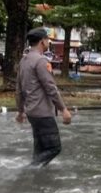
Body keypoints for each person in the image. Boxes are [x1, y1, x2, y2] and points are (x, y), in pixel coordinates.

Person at [15, 28, 72, 166]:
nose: (48, 41)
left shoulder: (24, 60)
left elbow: (19, 89)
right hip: (43, 113)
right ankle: (31, 169)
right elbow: (50, 88)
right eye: (47, 39)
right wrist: (63, 109)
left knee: (40, 149)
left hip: (31, 112)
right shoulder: (41, 61)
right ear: (42, 41)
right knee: (54, 148)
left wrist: (21, 110)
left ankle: (36, 177)